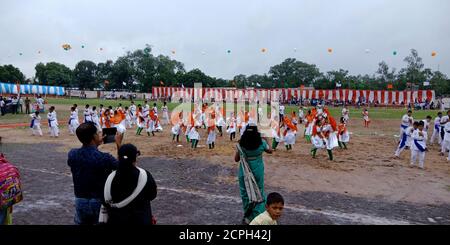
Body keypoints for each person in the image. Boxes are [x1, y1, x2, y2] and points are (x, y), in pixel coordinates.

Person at [67, 122, 123, 225]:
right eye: (97, 133)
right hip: (99, 202)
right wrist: (119, 144)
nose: (99, 135)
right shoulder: (104, 158)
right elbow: (122, 167)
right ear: (94, 137)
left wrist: (95, 143)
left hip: (80, 200)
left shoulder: (72, 154)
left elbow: (88, 155)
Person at [100, 144, 157, 225]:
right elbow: (152, 195)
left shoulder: (109, 178)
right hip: (140, 219)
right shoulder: (145, 175)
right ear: (136, 158)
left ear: (118, 158)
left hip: (116, 221)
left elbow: (105, 200)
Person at [234, 125, 273, 224]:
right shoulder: (261, 144)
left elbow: (236, 159)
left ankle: (248, 216)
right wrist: (267, 139)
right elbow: (270, 150)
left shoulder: (241, 144)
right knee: (259, 193)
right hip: (258, 172)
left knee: (246, 194)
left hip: (244, 172)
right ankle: (257, 216)